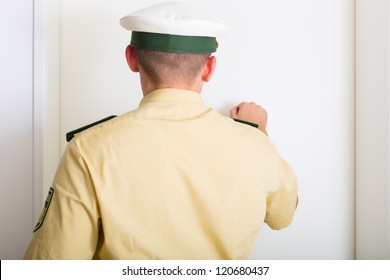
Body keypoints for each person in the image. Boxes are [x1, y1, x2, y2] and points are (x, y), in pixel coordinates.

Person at [24, 1, 298, 260]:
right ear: (209, 68)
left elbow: (53, 262)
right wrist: (259, 132)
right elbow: (283, 215)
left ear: (131, 58)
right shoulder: (254, 145)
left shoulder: (88, 149)